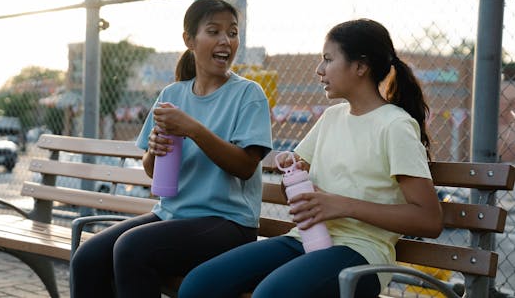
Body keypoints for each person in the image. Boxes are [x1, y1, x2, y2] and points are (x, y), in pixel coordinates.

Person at [178, 19, 444, 298]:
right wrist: (295, 178)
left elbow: (428, 219)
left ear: (360, 66)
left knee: (272, 295)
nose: (319, 70)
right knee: (199, 284)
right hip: (306, 238)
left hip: (362, 253)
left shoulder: (395, 126)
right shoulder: (332, 117)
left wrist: (340, 205)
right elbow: (293, 185)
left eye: (328, 60)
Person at [70, 0, 272, 298]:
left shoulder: (248, 94)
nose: (226, 41)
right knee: (87, 259)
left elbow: (245, 167)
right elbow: (154, 173)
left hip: (228, 223)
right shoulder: (172, 94)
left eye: (232, 32)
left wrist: (192, 129)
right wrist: (154, 149)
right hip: (173, 214)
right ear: (189, 39)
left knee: (133, 249)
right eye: (214, 31)